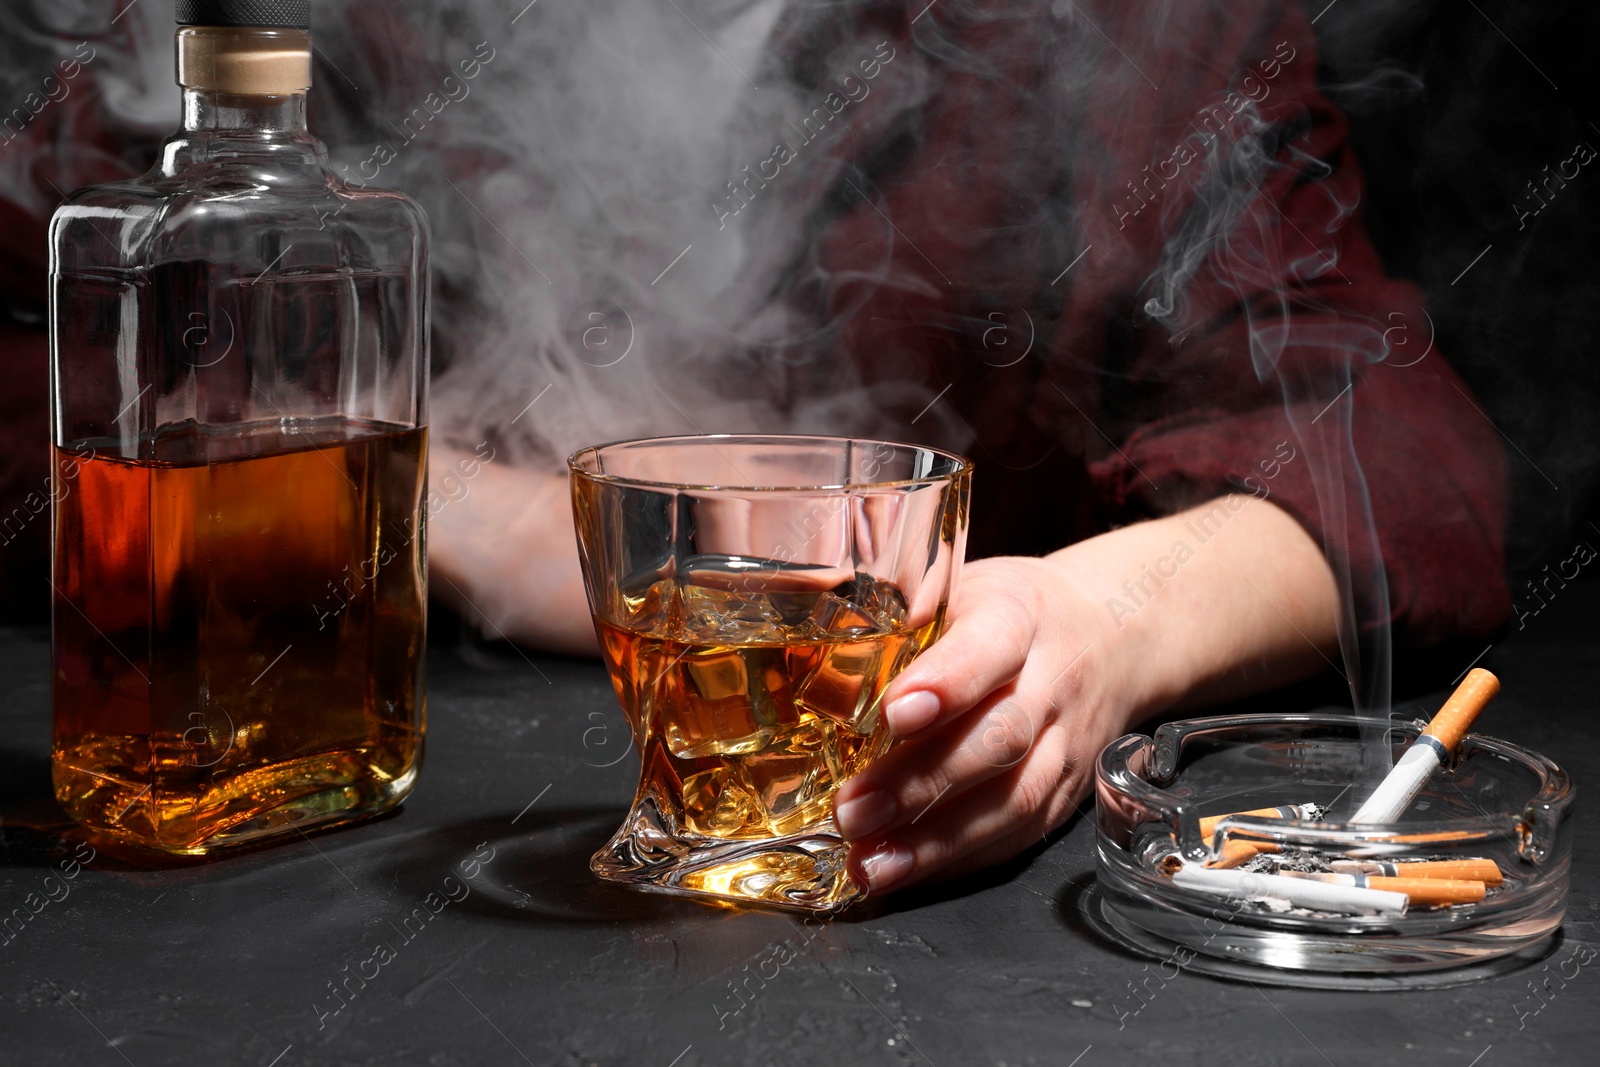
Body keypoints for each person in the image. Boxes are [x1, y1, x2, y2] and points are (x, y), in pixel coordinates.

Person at [0, 1, 1507, 896]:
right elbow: (42, 346)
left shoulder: (1141, 38)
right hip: (360, 826)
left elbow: (1388, 427)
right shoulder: (363, 31)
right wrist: (485, 519)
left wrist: (1100, 630)